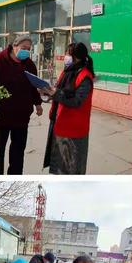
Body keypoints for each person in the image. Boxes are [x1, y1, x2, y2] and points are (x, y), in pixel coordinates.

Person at [0, 34, 43, 175]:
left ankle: (15, 175)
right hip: (1, 114)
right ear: (14, 46)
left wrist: (38, 104)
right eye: (24, 48)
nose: (26, 51)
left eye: (29, 49)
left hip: (21, 115)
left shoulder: (29, 64)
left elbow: (33, 86)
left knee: (18, 150)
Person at [41, 42, 95, 175]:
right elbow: (60, 92)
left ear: (76, 57)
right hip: (59, 125)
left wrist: (55, 93)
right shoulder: (67, 72)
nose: (65, 56)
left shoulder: (85, 76)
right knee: (57, 167)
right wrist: (47, 92)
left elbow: (77, 101)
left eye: (68, 53)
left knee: (71, 168)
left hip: (73, 131)